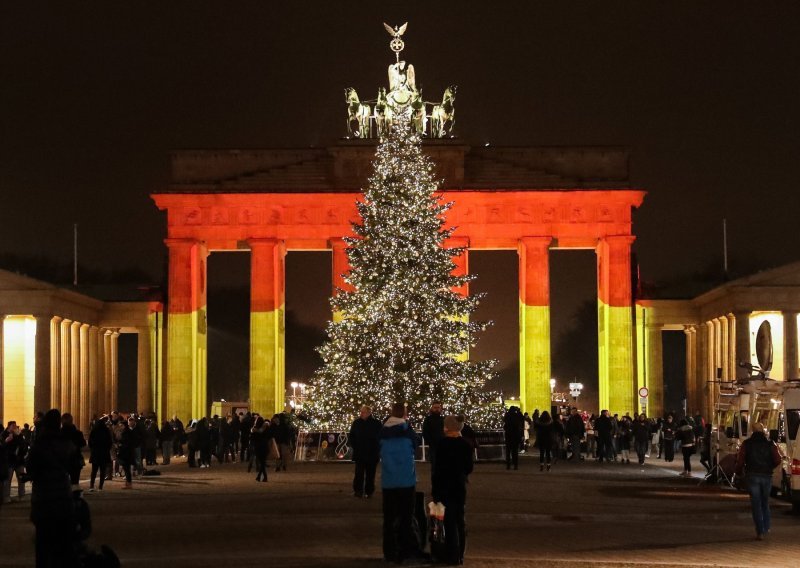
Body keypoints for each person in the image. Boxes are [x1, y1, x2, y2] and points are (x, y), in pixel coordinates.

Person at [25, 409, 79, 567]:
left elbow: (30, 467)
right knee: (64, 543)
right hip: (62, 497)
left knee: (42, 543)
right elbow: (74, 465)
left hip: (43, 498)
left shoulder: (39, 444)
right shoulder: (66, 443)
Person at [380, 402, 423, 564]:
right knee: (406, 517)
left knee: (389, 518)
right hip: (406, 480)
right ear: (404, 414)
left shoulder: (383, 432)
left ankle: (390, 552)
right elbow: (415, 446)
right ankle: (406, 550)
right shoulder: (407, 431)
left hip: (389, 480)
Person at [431, 415, 473, 565]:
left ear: (447, 428)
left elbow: (437, 469)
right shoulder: (465, 445)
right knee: (460, 521)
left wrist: (435, 490)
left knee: (448, 522)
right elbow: (469, 467)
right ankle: (460, 554)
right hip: (459, 485)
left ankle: (451, 554)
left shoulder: (442, 444)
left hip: (444, 486)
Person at [734, 422, 781, 540]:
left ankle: (760, 531)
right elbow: (777, 459)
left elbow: (740, 460)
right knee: (765, 502)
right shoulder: (771, 444)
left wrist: (738, 472)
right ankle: (766, 527)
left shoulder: (747, 444)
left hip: (752, 475)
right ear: (763, 431)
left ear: (752, 431)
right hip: (766, 476)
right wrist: (770, 467)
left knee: (756, 504)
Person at [349, 405, 382, 498]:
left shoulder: (376, 423)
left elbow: (380, 437)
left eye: (363, 412)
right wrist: (355, 446)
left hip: (372, 453)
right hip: (360, 452)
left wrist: (376, 448)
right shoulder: (356, 423)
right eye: (361, 412)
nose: (361, 413)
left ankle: (369, 491)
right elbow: (352, 436)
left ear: (368, 413)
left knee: (370, 474)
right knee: (359, 473)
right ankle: (358, 491)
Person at [60, 413, 86, 493]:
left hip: (63, 459)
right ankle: (76, 498)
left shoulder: (59, 433)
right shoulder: (77, 433)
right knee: (75, 481)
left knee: (62, 480)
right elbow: (83, 444)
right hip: (75, 459)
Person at [3, 421, 28, 503]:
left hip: (19, 460)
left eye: (15, 426)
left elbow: (24, 445)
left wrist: (19, 436)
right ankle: (6, 497)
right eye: (13, 426)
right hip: (9, 460)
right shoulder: (4, 434)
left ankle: (22, 495)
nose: (15, 428)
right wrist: (6, 441)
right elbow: (3, 447)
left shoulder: (19, 435)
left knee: (21, 479)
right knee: (8, 480)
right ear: (9, 427)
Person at [88, 417, 113, 492]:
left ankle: (91, 486)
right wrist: (106, 449)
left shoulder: (94, 431)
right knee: (103, 471)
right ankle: (100, 487)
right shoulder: (106, 431)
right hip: (104, 453)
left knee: (94, 471)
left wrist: (93, 449)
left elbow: (89, 442)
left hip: (95, 453)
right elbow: (110, 442)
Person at [118, 416, 138, 489]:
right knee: (127, 469)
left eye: (121, 425)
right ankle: (128, 483)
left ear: (124, 426)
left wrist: (120, 445)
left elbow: (126, 443)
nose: (120, 426)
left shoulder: (125, 433)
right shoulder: (128, 432)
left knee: (127, 469)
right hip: (129, 453)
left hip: (126, 453)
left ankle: (129, 484)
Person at [422, 401, 444, 466]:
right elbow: (425, 432)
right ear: (431, 408)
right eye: (435, 407)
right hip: (433, 446)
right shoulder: (427, 419)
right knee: (434, 465)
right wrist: (430, 442)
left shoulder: (443, 419)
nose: (437, 409)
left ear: (440, 408)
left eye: (438, 407)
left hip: (443, 445)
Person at [503, 406, 524, 470]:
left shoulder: (507, 415)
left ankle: (508, 465)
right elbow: (522, 419)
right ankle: (515, 465)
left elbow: (505, 425)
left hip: (508, 436)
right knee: (515, 452)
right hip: (515, 436)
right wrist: (519, 411)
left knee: (508, 452)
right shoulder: (516, 416)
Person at [251, 416, 271, 482]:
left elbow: (252, 438)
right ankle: (259, 476)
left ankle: (263, 477)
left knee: (262, 462)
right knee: (263, 462)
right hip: (265, 446)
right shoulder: (267, 428)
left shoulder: (254, 430)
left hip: (258, 447)